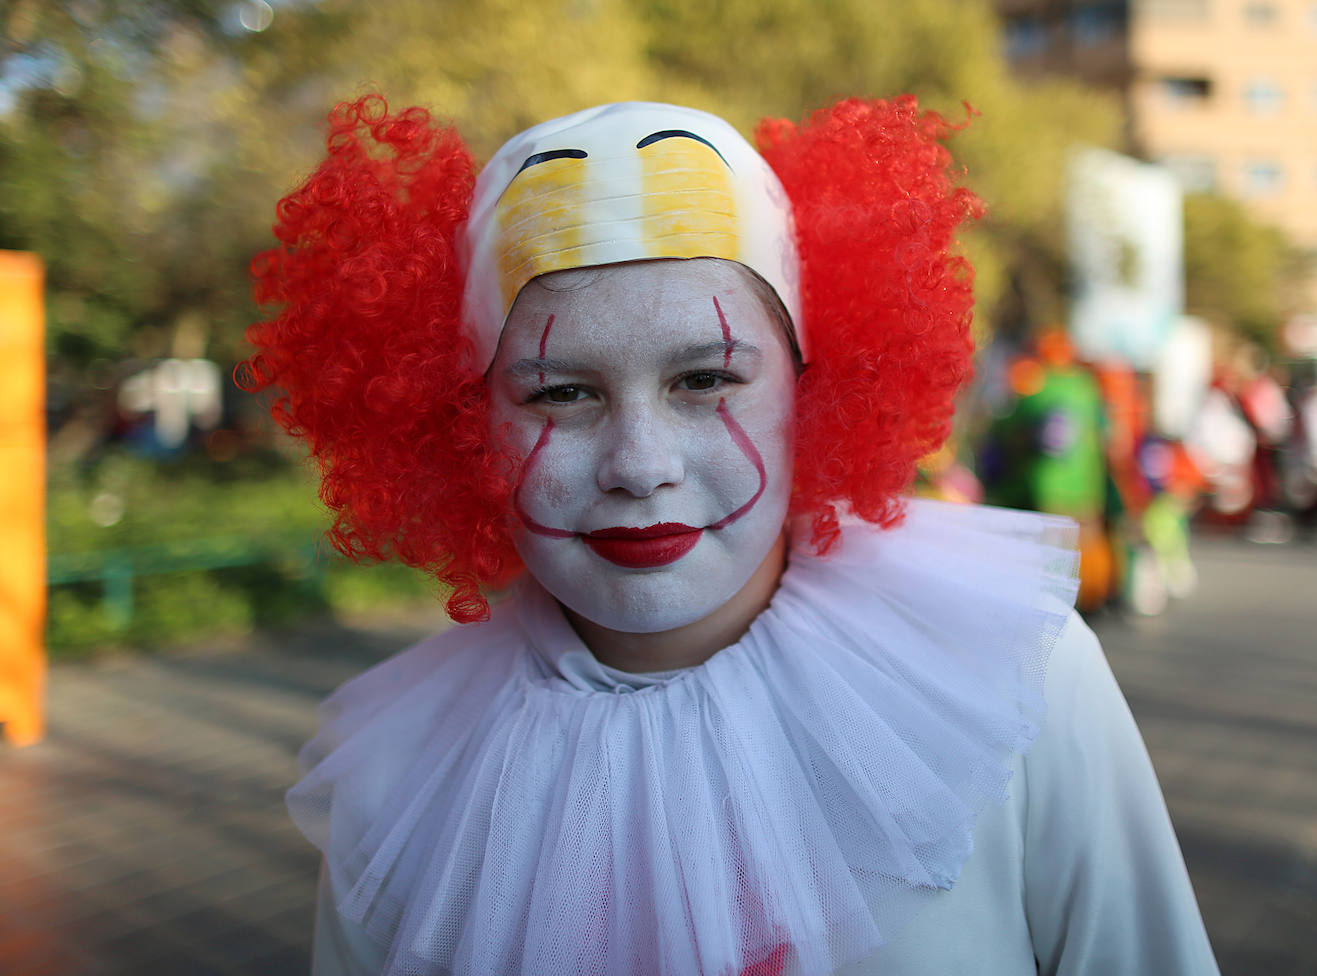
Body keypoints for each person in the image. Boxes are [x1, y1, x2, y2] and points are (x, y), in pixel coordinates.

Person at [244, 95, 1219, 975]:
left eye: (706, 379)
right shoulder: (400, 788)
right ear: (460, 421)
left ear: (813, 390)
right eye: (560, 392)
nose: (640, 461)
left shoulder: (1014, 682)